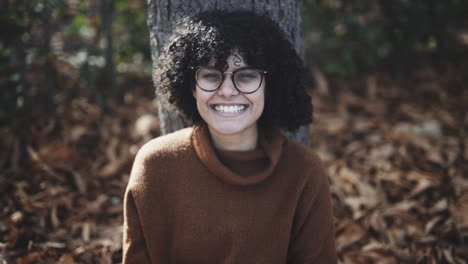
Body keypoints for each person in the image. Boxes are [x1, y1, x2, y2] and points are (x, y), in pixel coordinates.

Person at [123, 10, 337, 263]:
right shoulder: (155, 165)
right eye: (211, 76)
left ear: (269, 86)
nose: (227, 91)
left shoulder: (304, 171)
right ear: (192, 86)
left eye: (246, 76)